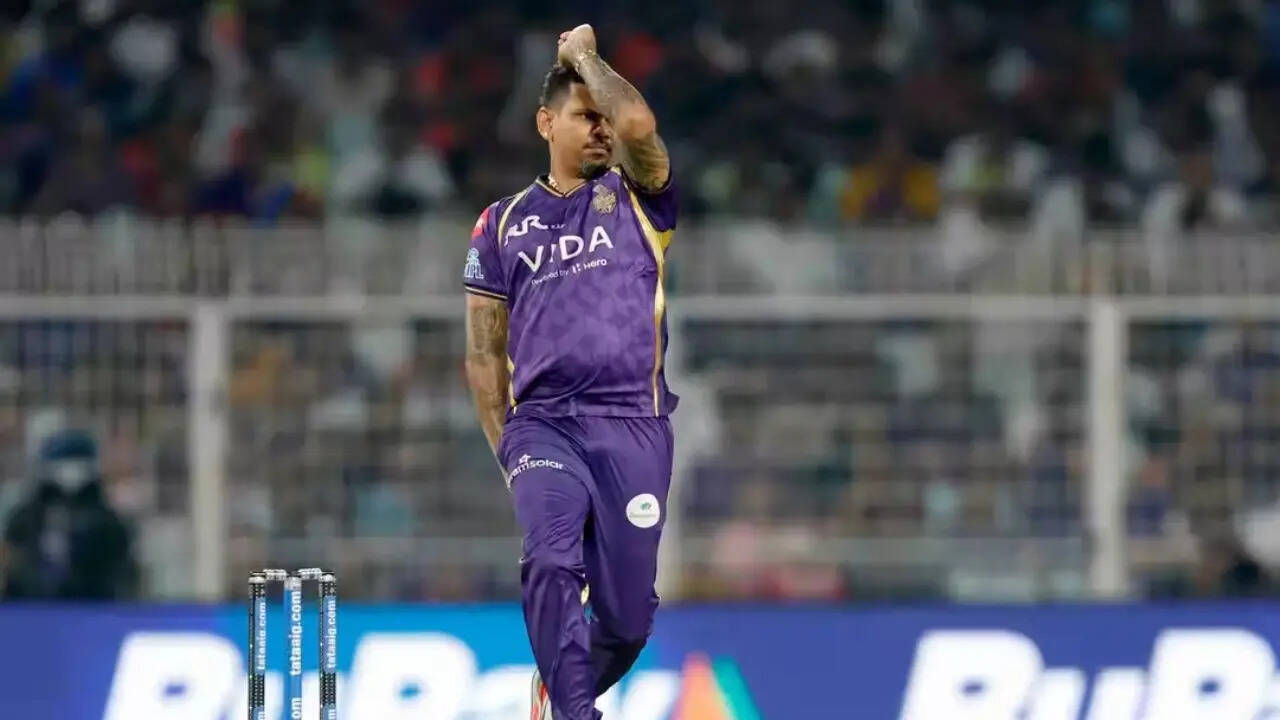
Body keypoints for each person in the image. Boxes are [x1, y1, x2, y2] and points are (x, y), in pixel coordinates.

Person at [463, 23, 678, 720]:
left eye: (603, 117)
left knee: (628, 621)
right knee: (552, 560)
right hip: (544, 426)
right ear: (545, 123)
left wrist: (584, 56)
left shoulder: (642, 195)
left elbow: (637, 123)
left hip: (634, 424)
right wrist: (509, 452)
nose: (602, 129)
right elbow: (483, 353)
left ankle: (554, 694)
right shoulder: (500, 224)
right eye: (586, 116)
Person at [2, 428, 137, 601]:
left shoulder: (108, 522)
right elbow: (11, 562)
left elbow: (120, 572)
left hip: (92, 604)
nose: (71, 471)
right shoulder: (26, 518)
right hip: (29, 605)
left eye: (78, 463)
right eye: (63, 463)